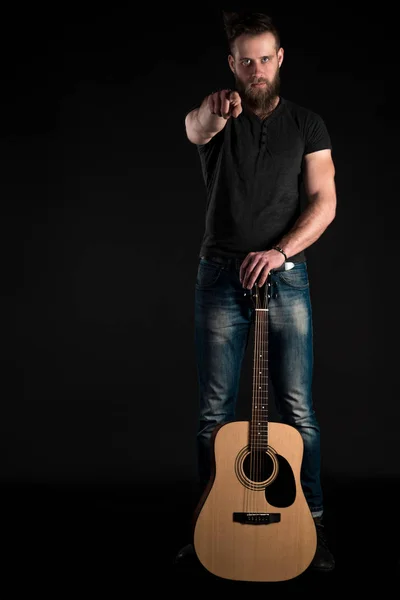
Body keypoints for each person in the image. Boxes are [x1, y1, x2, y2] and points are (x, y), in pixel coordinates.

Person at [175, 10, 337, 573]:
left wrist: (282, 252)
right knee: (213, 415)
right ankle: (208, 529)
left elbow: (325, 202)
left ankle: (311, 526)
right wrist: (209, 109)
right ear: (232, 65)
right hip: (219, 277)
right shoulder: (220, 115)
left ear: (280, 58)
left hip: (285, 278)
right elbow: (194, 128)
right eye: (245, 60)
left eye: (265, 58)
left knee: (298, 411)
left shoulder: (308, 125)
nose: (256, 69)